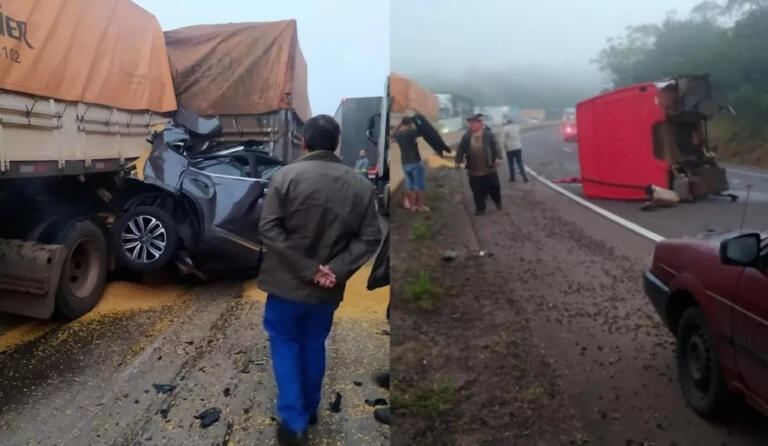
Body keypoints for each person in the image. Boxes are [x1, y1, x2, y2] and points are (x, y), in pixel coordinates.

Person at [259, 114, 382, 446]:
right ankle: (309, 410)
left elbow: (269, 228)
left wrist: (307, 268)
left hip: (285, 285)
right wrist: (335, 270)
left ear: (304, 142)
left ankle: (294, 423)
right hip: (326, 291)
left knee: (285, 344)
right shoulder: (360, 185)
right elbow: (370, 238)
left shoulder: (285, 177)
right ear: (336, 144)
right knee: (313, 345)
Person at [455, 113, 503, 215]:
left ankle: (497, 201)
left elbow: (496, 146)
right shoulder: (466, 137)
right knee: (477, 191)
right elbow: (460, 149)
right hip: (473, 170)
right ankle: (480, 208)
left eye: (473, 122)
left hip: (489, 168)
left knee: (495, 188)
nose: (471, 124)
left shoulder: (488, 135)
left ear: (480, 123)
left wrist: (498, 158)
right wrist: (458, 161)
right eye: (470, 122)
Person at [392, 117, 428, 212]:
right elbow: (423, 128)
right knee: (418, 185)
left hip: (405, 163)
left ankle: (412, 207)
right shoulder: (412, 132)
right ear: (410, 124)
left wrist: (400, 124)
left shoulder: (399, 135)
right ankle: (420, 206)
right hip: (415, 161)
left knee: (409, 185)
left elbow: (393, 133)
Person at [500, 117, 528, 182]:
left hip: (510, 149)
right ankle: (524, 175)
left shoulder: (505, 129)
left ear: (507, 123)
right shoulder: (517, 127)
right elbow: (519, 128)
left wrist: (501, 150)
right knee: (519, 162)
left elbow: (502, 141)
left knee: (511, 163)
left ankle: (512, 178)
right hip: (518, 148)